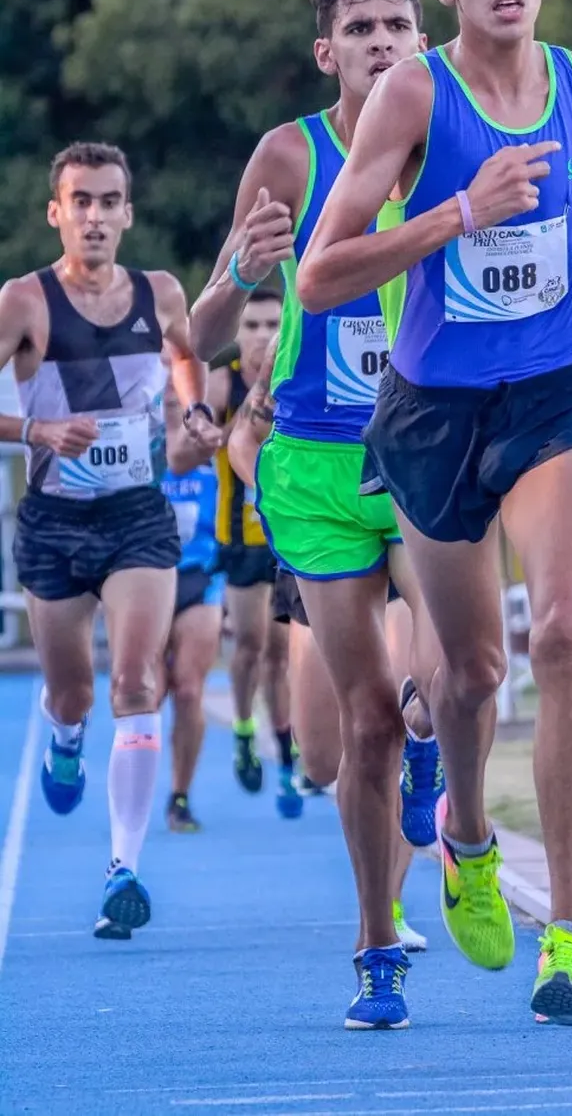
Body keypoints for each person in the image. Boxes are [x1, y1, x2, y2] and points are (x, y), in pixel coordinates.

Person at [296, 0, 572, 1026]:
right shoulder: (411, 100)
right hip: (431, 411)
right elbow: (320, 275)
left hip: (556, 389)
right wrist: (459, 212)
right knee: (466, 675)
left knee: (564, 628)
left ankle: (566, 936)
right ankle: (466, 830)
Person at [190, 0, 445, 1030]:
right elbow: (199, 333)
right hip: (314, 464)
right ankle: (375, 942)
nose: (382, 42)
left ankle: (441, 757)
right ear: (326, 49)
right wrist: (244, 274)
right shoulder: (289, 155)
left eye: (398, 24)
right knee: (360, 728)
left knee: (451, 681)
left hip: (432, 447)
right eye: (362, 28)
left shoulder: (458, 141)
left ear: (420, 38)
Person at [0, 141, 220, 938]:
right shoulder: (23, 301)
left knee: (135, 682)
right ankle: (65, 737)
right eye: (80, 201)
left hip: (136, 517)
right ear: (56, 212)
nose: (95, 215)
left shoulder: (160, 291)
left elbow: (188, 355)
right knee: (73, 693)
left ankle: (122, 867)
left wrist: (193, 410)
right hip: (55, 525)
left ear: (128, 212)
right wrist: (36, 427)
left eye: (109, 201)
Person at [227, 355, 430, 957]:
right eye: (255, 325)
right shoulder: (286, 350)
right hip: (317, 534)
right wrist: (269, 487)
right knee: (320, 759)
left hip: (401, 514)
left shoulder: (409, 296)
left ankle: (385, 913)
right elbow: (242, 436)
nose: (263, 331)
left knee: (389, 717)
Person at [202, 290, 301, 817]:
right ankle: (243, 728)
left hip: (290, 536)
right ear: (239, 335)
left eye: (273, 323)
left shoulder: (296, 370)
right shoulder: (223, 382)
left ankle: (286, 757)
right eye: (254, 324)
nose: (264, 334)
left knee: (281, 654)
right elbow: (197, 438)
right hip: (239, 537)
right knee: (249, 646)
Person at [159, 389, 225, 833]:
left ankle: (180, 795)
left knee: (188, 690)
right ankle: (134, 781)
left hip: (201, 574)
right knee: (147, 691)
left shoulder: (210, 433)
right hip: (145, 573)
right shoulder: (139, 438)